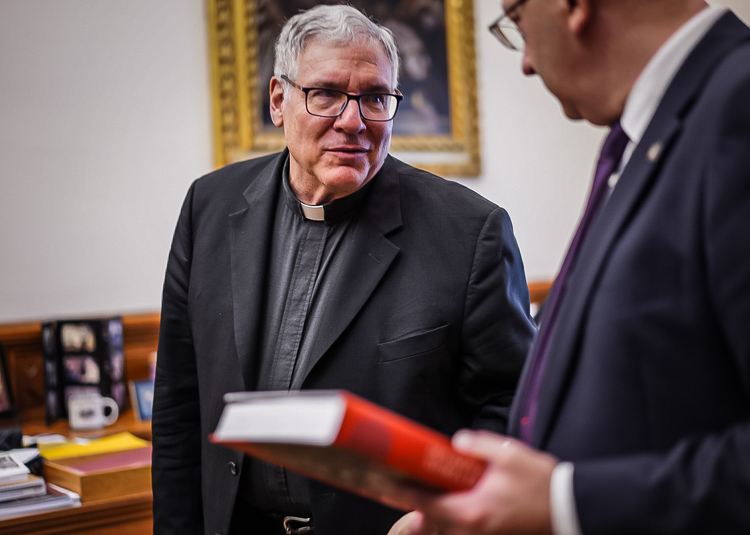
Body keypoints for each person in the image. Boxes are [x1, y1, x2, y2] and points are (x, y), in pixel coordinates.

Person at [383, 0, 750, 534]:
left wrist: (564, 504)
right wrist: (490, 506)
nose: (524, 61)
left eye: (515, 21)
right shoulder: (651, 133)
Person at [151, 5, 535, 535]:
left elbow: (513, 406)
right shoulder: (209, 207)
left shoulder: (471, 233)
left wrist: (440, 516)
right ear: (279, 101)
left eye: (376, 97)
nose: (353, 121)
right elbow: (177, 402)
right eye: (326, 93)